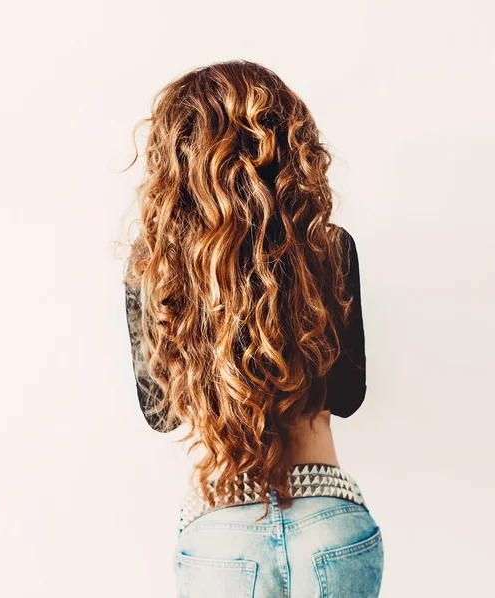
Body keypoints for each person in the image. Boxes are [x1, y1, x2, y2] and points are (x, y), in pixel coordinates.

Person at [121, 59, 384, 597]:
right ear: (291, 147)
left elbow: (160, 414)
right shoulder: (330, 248)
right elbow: (349, 396)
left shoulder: (155, 272)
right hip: (330, 524)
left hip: (222, 536)